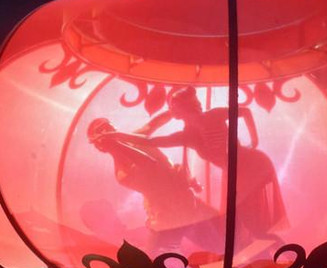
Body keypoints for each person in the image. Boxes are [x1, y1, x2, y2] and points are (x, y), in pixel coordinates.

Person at [98, 87, 289, 242]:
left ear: (181, 109)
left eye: (174, 108)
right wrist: (117, 136)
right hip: (236, 172)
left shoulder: (211, 116)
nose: (172, 111)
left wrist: (254, 140)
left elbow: (245, 111)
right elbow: (151, 141)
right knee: (242, 225)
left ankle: (277, 253)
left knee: (246, 224)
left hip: (251, 167)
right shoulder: (188, 135)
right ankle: (268, 253)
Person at [87, 117, 222, 251]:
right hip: (169, 219)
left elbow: (153, 124)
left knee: (225, 234)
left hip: (189, 203)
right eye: (102, 130)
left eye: (109, 126)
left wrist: (175, 111)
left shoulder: (135, 139)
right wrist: (116, 144)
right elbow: (150, 165)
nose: (108, 130)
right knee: (157, 260)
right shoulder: (123, 173)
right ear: (100, 145)